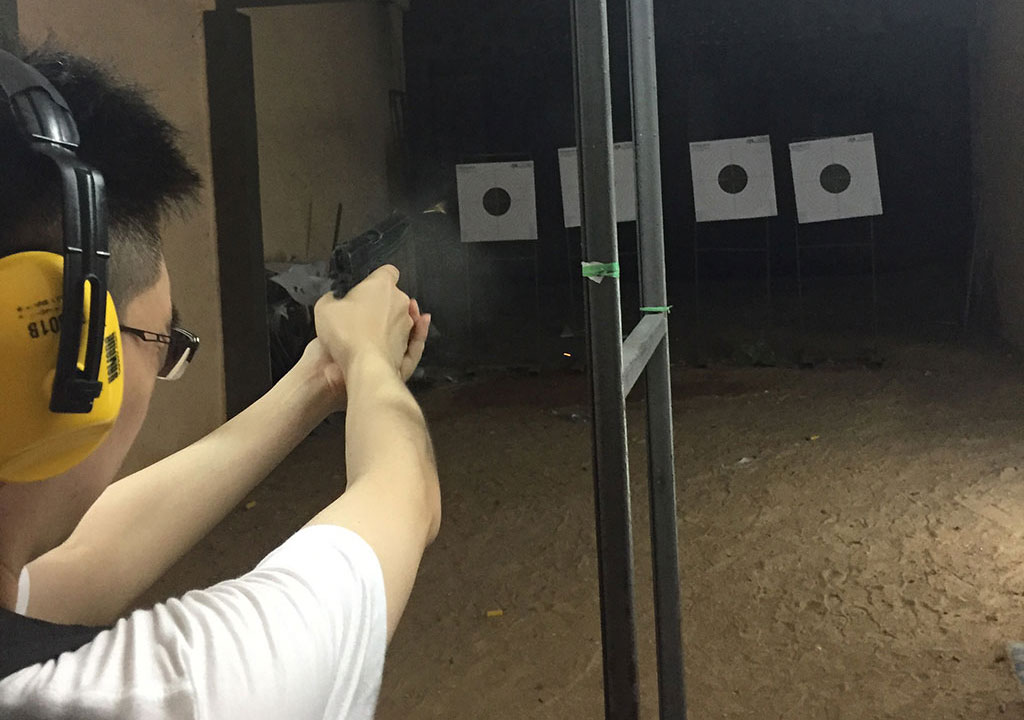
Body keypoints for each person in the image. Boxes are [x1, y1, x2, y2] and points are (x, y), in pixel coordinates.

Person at [0, 44, 441, 719]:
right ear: (65, 353)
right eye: (159, 342)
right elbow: (404, 496)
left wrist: (320, 379)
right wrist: (368, 357)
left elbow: (85, 559)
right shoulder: (147, 697)